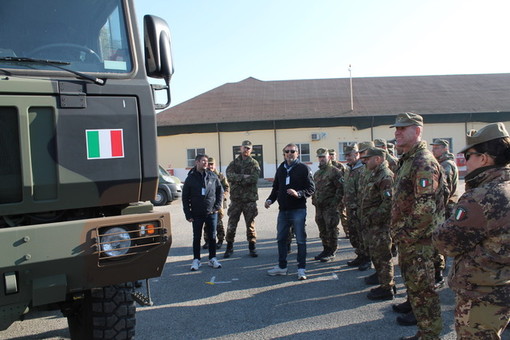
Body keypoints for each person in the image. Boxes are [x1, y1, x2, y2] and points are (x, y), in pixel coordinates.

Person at [433, 122, 510, 340]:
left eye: (469, 156)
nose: (465, 162)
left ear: (484, 158)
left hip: (481, 293)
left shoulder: (481, 196)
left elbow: (445, 243)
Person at [390, 112, 447, 340]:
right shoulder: (409, 159)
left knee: (424, 292)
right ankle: (425, 332)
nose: (397, 132)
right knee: (416, 290)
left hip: (419, 242)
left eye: (403, 128)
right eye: (396, 128)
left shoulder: (422, 161)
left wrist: (405, 235)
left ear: (418, 131)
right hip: (410, 240)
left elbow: (425, 209)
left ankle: (430, 335)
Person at [265, 143, 315, 280]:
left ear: (297, 153)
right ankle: (282, 267)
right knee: (281, 239)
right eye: (286, 151)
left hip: (298, 210)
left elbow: (311, 188)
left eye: (292, 151)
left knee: (300, 240)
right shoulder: (281, 168)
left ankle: (301, 269)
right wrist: (270, 200)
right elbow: (276, 187)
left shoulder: (303, 168)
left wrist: (298, 194)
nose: (289, 153)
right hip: (283, 211)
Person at [359, 147, 395, 300]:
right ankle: (383, 283)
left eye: (368, 158)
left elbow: (389, 203)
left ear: (378, 159)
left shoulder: (385, 176)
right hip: (372, 225)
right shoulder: (374, 174)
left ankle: (387, 288)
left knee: (383, 257)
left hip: (381, 226)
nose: (365, 161)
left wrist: (374, 217)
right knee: (376, 255)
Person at [182, 154, 224, 271]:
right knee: (197, 237)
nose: (206, 163)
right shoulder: (190, 178)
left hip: (211, 213)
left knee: (212, 236)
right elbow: (185, 198)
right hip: (196, 213)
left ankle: (212, 258)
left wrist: (217, 206)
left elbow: (220, 191)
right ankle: (196, 260)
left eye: (207, 161)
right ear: (197, 162)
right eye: (203, 161)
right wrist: (188, 214)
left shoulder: (212, 176)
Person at [430, 138, 460, 287]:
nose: (433, 151)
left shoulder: (446, 165)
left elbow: (445, 190)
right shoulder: (443, 163)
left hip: (446, 206)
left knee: (441, 238)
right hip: (446, 205)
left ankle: (439, 274)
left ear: (444, 149)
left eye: (436, 148)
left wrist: (438, 206)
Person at [224, 140, 261, 258]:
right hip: (236, 199)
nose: (246, 150)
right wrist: (243, 177)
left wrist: (237, 179)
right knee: (231, 224)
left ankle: (252, 247)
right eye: (245, 148)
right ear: (240, 148)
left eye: (248, 148)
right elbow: (229, 175)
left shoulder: (254, 163)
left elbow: (254, 178)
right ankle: (229, 247)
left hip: (249, 200)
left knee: (250, 225)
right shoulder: (234, 163)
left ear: (251, 150)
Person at [312, 148, 343, 262]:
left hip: (330, 207)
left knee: (331, 228)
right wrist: (314, 199)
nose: (321, 159)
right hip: (319, 207)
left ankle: (332, 251)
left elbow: (341, 189)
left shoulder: (334, 171)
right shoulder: (317, 173)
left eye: (323, 157)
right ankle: (325, 249)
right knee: (322, 229)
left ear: (328, 157)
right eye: (319, 157)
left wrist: (335, 202)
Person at [343, 144, 369, 268]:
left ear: (357, 154)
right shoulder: (349, 169)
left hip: (360, 208)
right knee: (354, 234)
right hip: (350, 208)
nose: (347, 158)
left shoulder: (363, 169)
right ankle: (360, 255)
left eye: (350, 155)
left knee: (363, 235)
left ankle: (367, 259)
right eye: (346, 155)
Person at [202, 157, 229, 249]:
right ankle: (207, 241)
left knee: (218, 222)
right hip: (208, 203)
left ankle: (220, 240)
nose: (210, 166)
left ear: (215, 165)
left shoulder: (220, 176)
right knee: (207, 223)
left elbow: (226, 187)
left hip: (218, 203)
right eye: (208, 164)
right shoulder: (204, 175)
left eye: (212, 164)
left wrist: (222, 196)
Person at [328, 148, 348, 239]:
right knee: (332, 214)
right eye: (330, 154)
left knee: (342, 213)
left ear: (335, 156)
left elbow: (345, 180)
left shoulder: (340, 166)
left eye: (333, 154)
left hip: (340, 193)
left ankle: (347, 231)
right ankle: (335, 231)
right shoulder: (327, 167)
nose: (331, 156)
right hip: (331, 195)